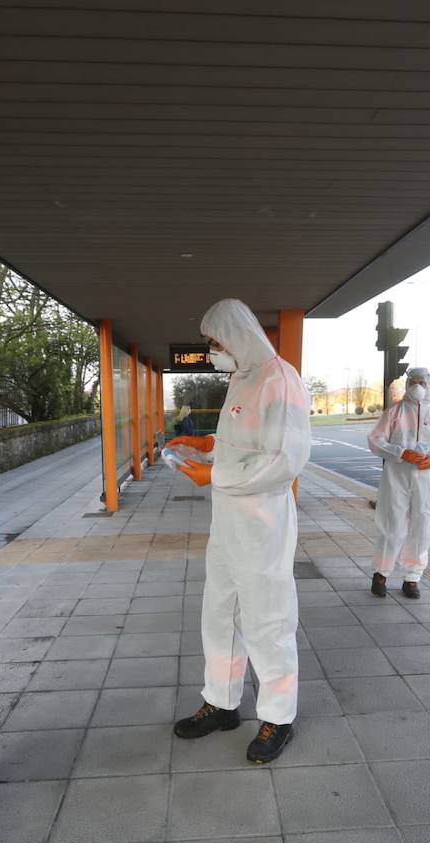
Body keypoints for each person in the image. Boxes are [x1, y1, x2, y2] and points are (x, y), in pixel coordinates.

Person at [166, 298, 311, 763]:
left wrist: (216, 476)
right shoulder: (241, 378)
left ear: (239, 336)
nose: (213, 352)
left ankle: (278, 715)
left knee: (267, 620)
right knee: (219, 614)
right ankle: (222, 702)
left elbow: (284, 459)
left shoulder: (280, 380)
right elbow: (238, 445)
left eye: (216, 343)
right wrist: (204, 446)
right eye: (209, 345)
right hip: (227, 525)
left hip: (263, 525)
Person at [368, 366, 430, 599]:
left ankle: (412, 577)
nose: (418, 386)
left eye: (422, 382)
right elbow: (375, 441)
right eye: (413, 382)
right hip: (396, 475)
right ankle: (381, 573)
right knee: (392, 524)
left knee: (423, 525)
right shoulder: (394, 412)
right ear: (407, 385)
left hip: (426, 478)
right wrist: (400, 453)